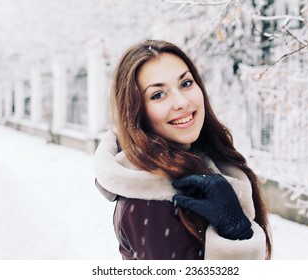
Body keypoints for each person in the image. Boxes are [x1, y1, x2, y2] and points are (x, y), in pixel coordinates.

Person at [94, 39, 272, 260]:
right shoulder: (151, 203)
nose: (181, 101)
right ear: (137, 112)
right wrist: (237, 235)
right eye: (158, 95)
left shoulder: (208, 164)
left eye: (186, 83)